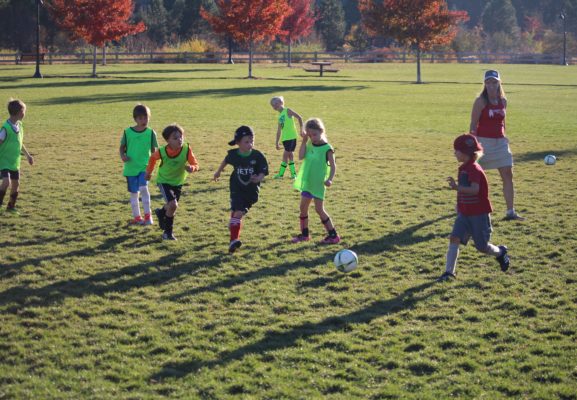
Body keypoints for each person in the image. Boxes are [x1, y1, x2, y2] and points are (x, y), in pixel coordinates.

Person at [438, 134, 510, 281]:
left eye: (456, 150)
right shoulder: (464, 168)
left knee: (482, 247)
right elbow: (464, 191)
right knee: (454, 238)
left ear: (465, 153)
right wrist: (459, 205)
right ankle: (449, 272)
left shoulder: (474, 169)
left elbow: (474, 189)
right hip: (464, 213)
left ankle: (500, 252)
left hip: (479, 214)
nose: (454, 153)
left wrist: (457, 187)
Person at [470, 70, 523, 221]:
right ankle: (465, 206)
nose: (491, 85)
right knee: (474, 177)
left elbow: (502, 121)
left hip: (500, 143)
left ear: (499, 83)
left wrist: (504, 137)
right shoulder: (480, 101)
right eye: (488, 82)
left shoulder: (503, 101)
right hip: (483, 143)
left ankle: (510, 212)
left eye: (494, 82)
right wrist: (474, 145)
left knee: (507, 174)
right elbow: (473, 124)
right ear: (485, 84)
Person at [213, 126, 269, 254]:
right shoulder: (234, 154)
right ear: (238, 143)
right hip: (236, 188)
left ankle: (233, 224)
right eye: (246, 142)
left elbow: (263, 171)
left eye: (252, 141)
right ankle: (233, 240)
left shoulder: (258, 155)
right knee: (238, 212)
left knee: (236, 214)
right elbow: (226, 161)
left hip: (251, 192)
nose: (250, 144)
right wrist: (218, 172)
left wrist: (258, 178)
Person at [145, 124, 199, 240]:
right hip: (164, 181)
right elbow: (152, 158)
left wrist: (192, 168)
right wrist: (148, 172)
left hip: (178, 182)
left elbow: (195, 164)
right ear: (168, 140)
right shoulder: (162, 151)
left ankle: (161, 212)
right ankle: (167, 233)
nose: (179, 140)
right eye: (175, 138)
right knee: (173, 205)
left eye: (181, 137)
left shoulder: (186, 149)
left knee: (171, 206)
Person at [292, 118, 340, 244]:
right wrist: (303, 141)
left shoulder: (327, 148)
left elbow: (333, 166)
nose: (313, 137)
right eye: (310, 135)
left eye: (315, 134)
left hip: (318, 184)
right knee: (303, 208)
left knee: (319, 210)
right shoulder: (309, 143)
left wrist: (330, 179)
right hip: (307, 182)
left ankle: (333, 235)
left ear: (321, 131)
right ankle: (304, 235)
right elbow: (301, 156)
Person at [119, 104, 159, 225]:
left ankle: (148, 216)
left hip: (144, 167)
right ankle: (137, 217)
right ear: (135, 119)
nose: (144, 121)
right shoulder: (127, 132)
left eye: (146, 118)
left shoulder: (151, 133)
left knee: (143, 188)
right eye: (141, 118)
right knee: (134, 193)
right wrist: (123, 156)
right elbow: (122, 148)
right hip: (130, 168)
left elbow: (154, 152)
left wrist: (152, 167)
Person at [0, 99, 34, 214]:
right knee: (6, 182)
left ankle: (11, 206)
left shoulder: (19, 126)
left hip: (14, 161)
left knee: (16, 184)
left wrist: (28, 155)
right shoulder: (5, 128)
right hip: (4, 160)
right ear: (19, 112)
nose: (24, 113)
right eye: (24, 111)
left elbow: (19, 143)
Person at [270, 96, 303, 179]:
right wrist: (277, 142)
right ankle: (293, 174)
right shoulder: (280, 116)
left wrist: (302, 130)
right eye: (273, 105)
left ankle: (281, 174)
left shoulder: (287, 110)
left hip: (291, 137)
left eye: (276, 103)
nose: (274, 106)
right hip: (285, 139)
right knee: (290, 155)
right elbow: (279, 131)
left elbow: (299, 117)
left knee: (285, 156)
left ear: (281, 102)